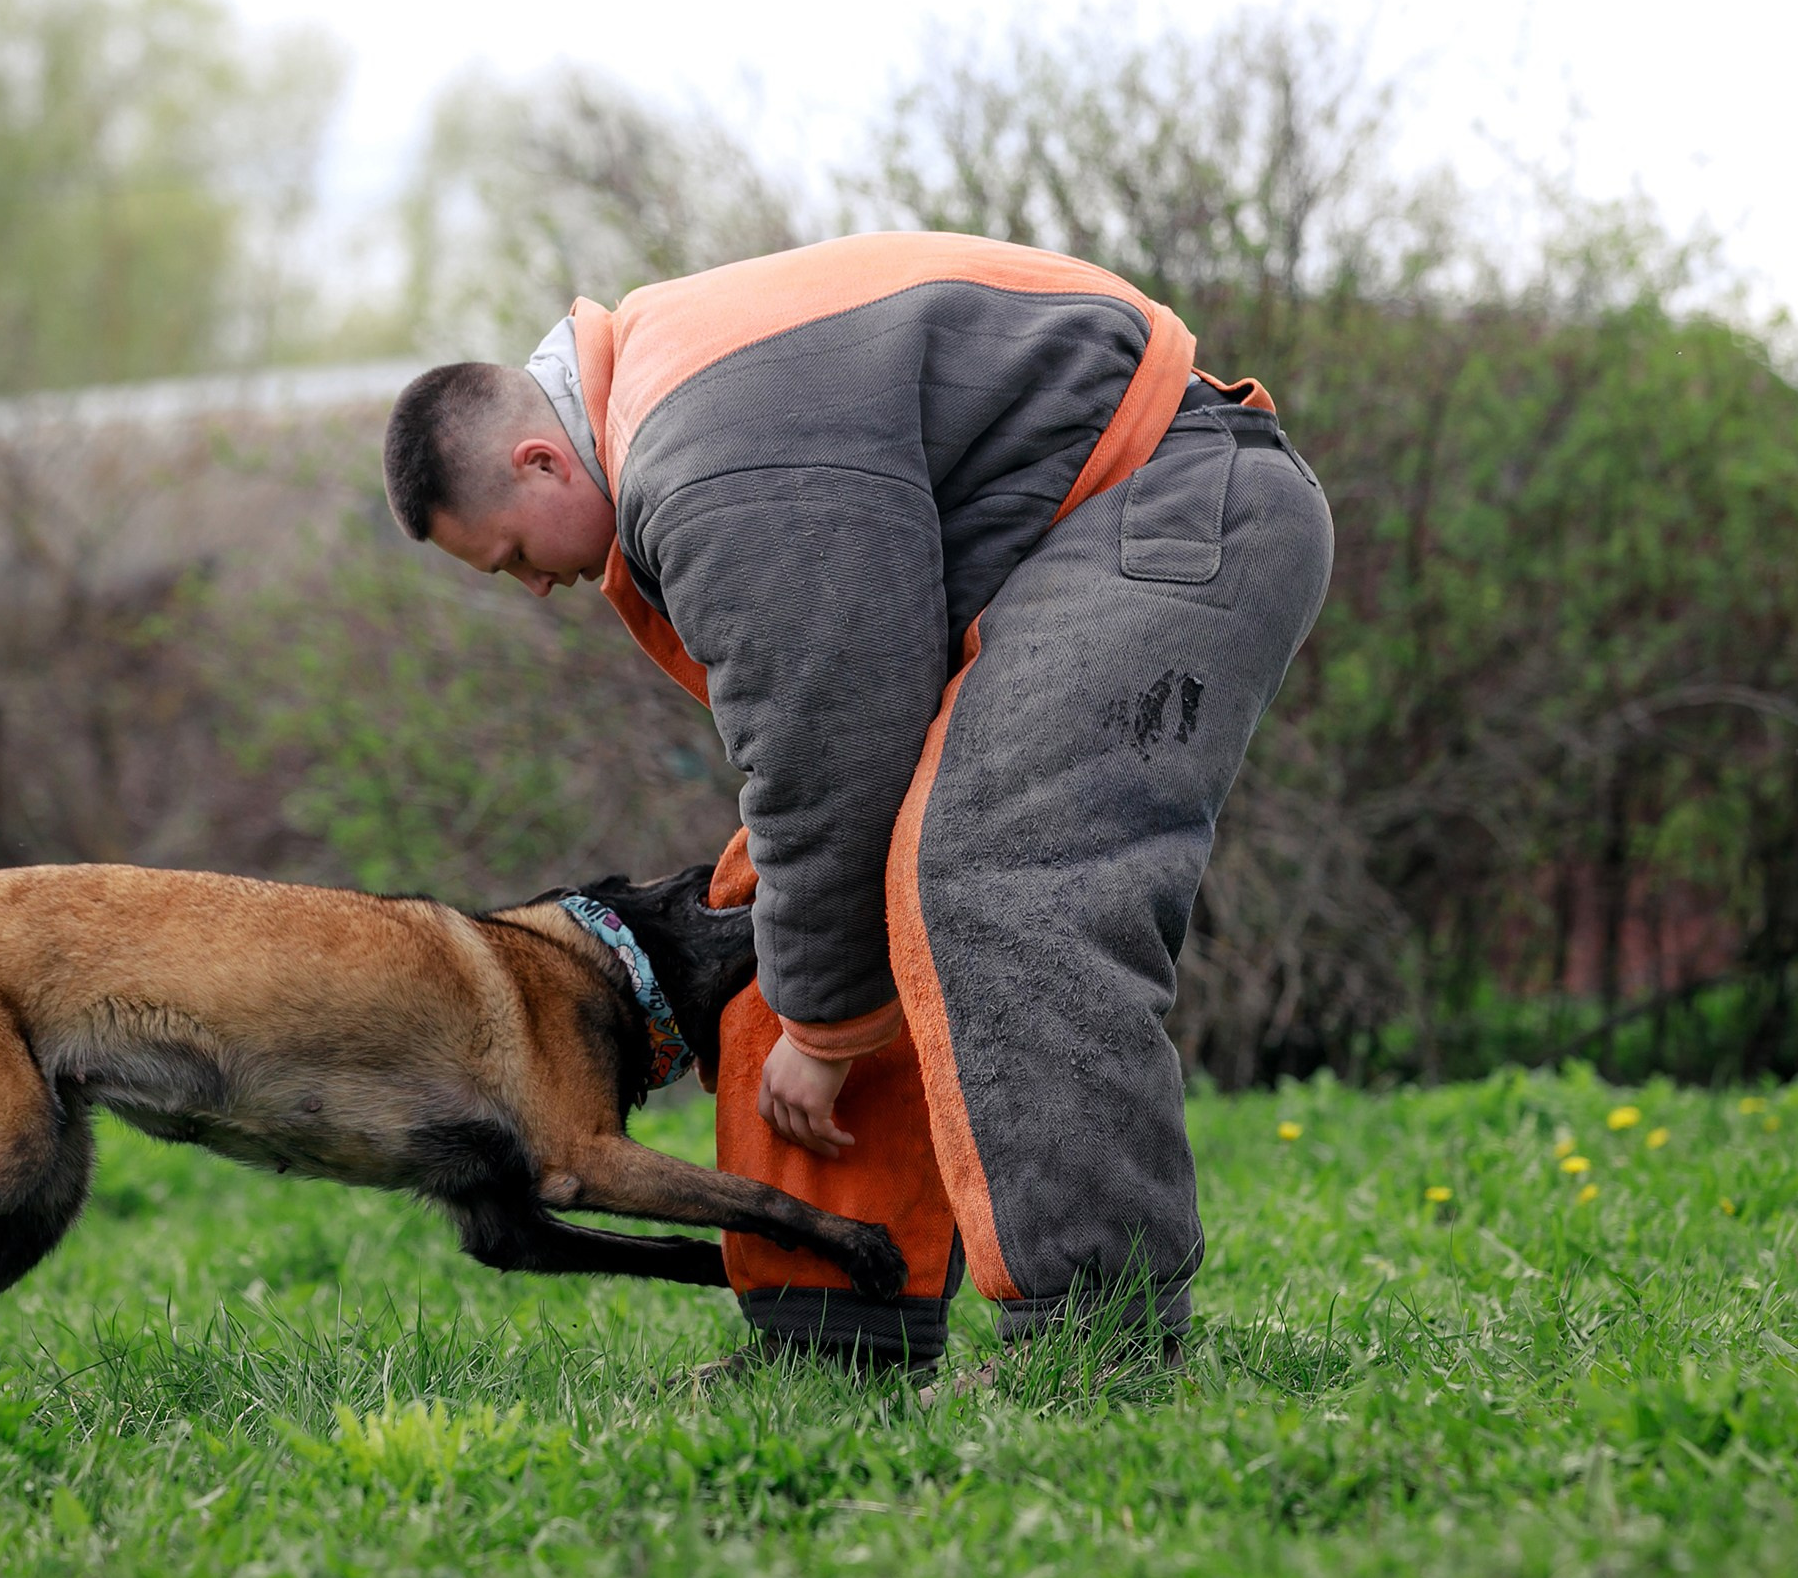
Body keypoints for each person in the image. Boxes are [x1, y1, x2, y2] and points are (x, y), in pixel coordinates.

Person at [381, 231, 1333, 1381]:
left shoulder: (700, 456)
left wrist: (823, 1037)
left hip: (1172, 500)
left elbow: (833, 758)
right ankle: (834, 1337)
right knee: (772, 916)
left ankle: (1099, 1341)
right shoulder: (663, 396)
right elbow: (825, 790)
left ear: (540, 462)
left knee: (1002, 876)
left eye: (512, 559)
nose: (538, 587)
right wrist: (811, 995)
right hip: (1074, 537)